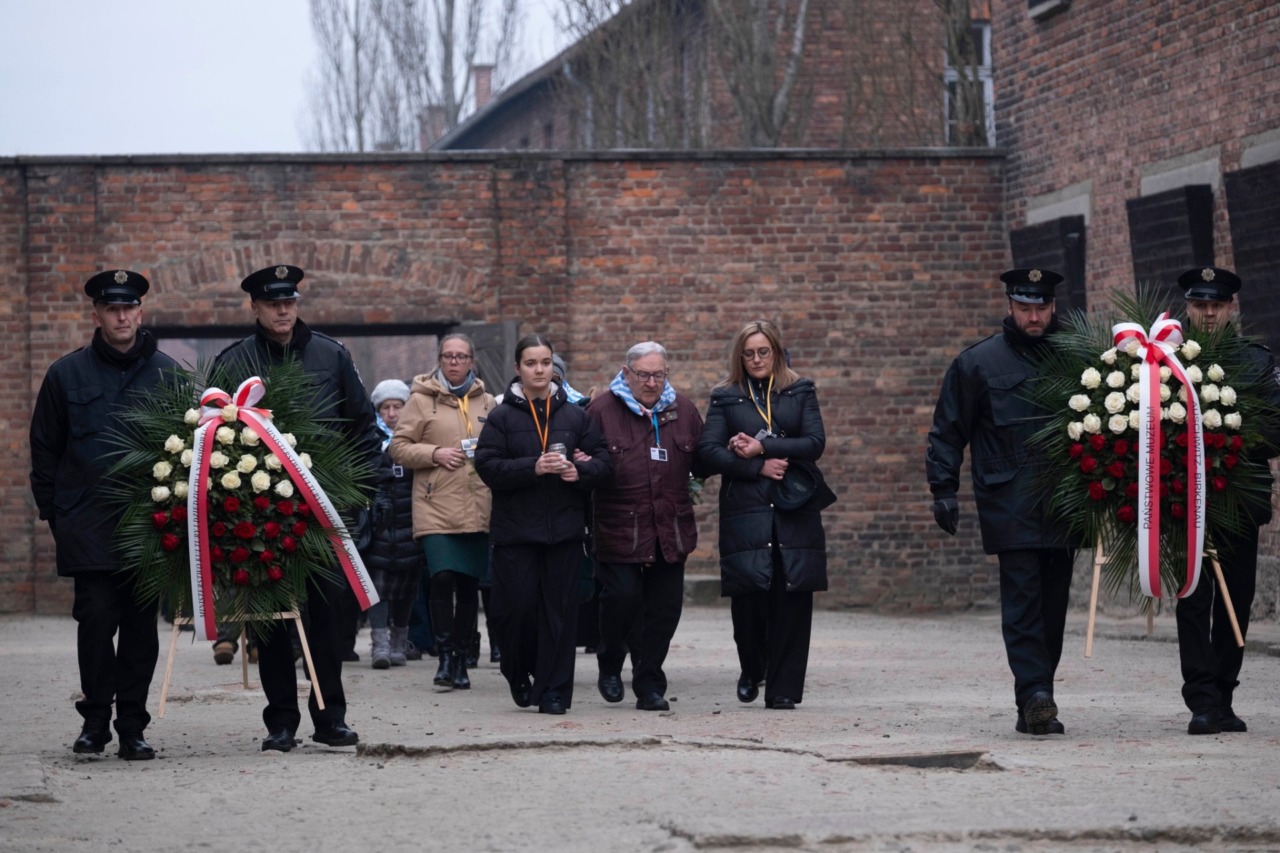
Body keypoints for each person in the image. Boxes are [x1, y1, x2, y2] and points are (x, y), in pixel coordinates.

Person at [213, 264, 382, 752]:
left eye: (289, 301)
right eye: (272, 303)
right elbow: (211, 429)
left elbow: (362, 426)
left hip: (325, 510)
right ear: (256, 307)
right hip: (262, 513)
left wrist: (360, 492)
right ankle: (280, 721)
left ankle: (331, 719)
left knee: (329, 621)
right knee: (270, 622)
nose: (283, 310)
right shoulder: (235, 360)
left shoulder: (330, 354)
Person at [30, 269, 180, 760]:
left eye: (129, 307)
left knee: (140, 629)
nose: (122, 316)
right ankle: (96, 722)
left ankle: (132, 726)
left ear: (140, 311)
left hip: (148, 526)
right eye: (112, 308)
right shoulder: (65, 374)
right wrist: (58, 514)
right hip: (87, 524)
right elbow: (45, 449)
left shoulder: (168, 375)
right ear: (96, 314)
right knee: (95, 622)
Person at [925, 268, 1077, 736]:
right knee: (1023, 601)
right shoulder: (977, 364)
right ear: (1010, 306)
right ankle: (1034, 692)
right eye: (1026, 307)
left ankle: (1038, 697)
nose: (1034, 316)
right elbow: (948, 431)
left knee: (1053, 606)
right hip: (1008, 499)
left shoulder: (1075, 357)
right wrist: (942, 489)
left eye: (1042, 307)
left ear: (1052, 308)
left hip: (1066, 501)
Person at [697, 320, 830, 711]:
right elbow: (708, 451)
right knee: (749, 598)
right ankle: (752, 666)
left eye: (763, 351)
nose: (756, 359)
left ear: (776, 351)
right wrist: (756, 467)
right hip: (747, 508)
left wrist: (764, 447)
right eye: (749, 353)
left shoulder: (800, 389)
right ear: (740, 356)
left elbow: (814, 443)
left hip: (794, 506)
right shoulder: (725, 396)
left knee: (792, 594)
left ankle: (784, 689)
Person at [474, 334, 610, 714]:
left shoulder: (576, 415)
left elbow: (603, 464)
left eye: (546, 363)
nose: (539, 370)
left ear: (554, 367)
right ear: (518, 369)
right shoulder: (501, 416)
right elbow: (486, 465)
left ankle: (555, 691)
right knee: (514, 611)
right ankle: (517, 671)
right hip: (516, 532)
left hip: (564, 532)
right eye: (531, 363)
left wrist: (580, 471)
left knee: (561, 615)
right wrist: (531, 467)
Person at [1173, 266, 1280, 735]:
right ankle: (1200, 698)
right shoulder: (1166, 362)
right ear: (1188, 308)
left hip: (1239, 499)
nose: (1209, 313)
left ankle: (1225, 694)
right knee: (1194, 598)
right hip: (1185, 503)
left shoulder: (1257, 363)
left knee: (1237, 598)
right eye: (1200, 305)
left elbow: (1276, 428)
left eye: (1217, 305)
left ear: (1231, 308)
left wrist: (1226, 442)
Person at [587, 341, 705, 711]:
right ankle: (609, 660)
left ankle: (649, 682)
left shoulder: (683, 411)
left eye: (658, 374)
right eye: (643, 375)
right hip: (620, 524)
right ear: (627, 373)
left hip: (669, 526)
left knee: (665, 609)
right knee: (621, 598)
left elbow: (703, 459)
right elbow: (585, 465)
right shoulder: (601, 411)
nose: (651, 382)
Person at [388, 333, 496, 691]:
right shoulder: (420, 400)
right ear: (439, 360)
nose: (453, 362)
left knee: (468, 584)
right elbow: (398, 447)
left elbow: (500, 447)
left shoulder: (488, 403)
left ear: (471, 361)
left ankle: (463, 657)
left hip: (477, 502)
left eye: (460, 356)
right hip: (435, 504)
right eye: (447, 356)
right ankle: (445, 653)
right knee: (442, 578)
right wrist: (434, 454)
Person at [363, 378, 422, 670]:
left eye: (397, 406)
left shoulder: (416, 439)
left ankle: (400, 639)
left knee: (406, 586)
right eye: (385, 407)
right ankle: (380, 643)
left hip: (411, 521)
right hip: (381, 525)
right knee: (378, 585)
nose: (391, 413)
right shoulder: (371, 441)